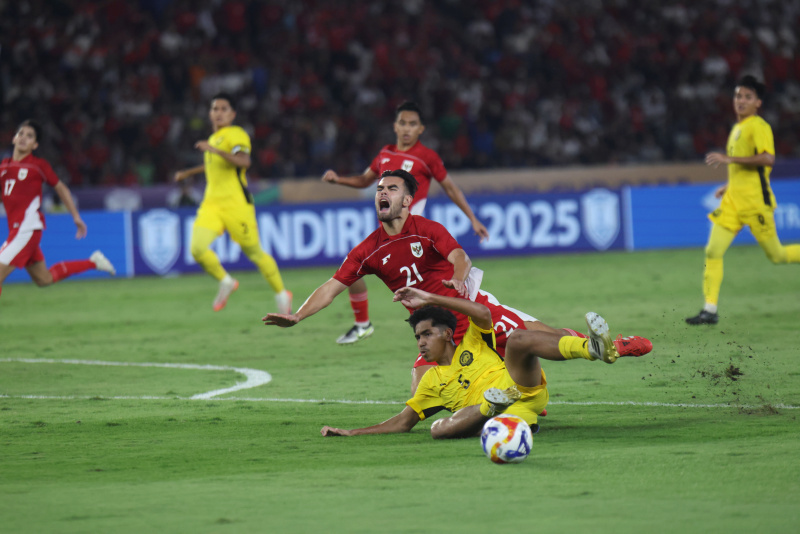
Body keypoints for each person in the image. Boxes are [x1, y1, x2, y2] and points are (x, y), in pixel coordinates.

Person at [264, 169, 651, 394]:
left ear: (407, 200)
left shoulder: (426, 228)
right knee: (422, 394)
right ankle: (518, 392)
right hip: (434, 329)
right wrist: (297, 317)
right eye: (379, 189)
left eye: (391, 188)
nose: (382, 192)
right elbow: (332, 286)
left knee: (539, 337)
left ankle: (611, 347)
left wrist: (457, 283)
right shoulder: (367, 250)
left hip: (467, 309)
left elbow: (459, 257)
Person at [320, 286, 645, 439]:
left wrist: (431, 297)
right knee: (435, 430)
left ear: (448, 334)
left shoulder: (474, 340)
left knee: (518, 339)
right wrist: (352, 432)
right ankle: (494, 410)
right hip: (494, 414)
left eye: (427, 334)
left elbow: (482, 312)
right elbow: (403, 422)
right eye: (417, 337)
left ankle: (594, 350)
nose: (420, 342)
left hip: (522, 389)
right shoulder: (430, 380)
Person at [321, 101, 489, 344]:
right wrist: (339, 180)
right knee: (351, 271)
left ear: (421, 129)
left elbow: (450, 188)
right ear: (395, 126)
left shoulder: (427, 157)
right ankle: (362, 324)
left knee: (439, 281)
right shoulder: (385, 155)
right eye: (403, 123)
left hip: (413, 232)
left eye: (412, 124)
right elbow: (364, 180)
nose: (407, 128)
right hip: (389, 232)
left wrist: (472, 219)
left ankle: (466, 327)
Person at [686, 76, 800, 325]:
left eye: (748, 97)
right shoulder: (737, 128)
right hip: (733, 203)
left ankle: (710, 309)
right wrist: (728, 186)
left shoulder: (759, 126)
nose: (741, 101)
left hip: (755, 203)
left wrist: (730, 160)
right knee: (713, 250)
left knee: (777, 255)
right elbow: (748, 169)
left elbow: (768, 159)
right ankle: (710, 309)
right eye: (738, 96)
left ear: (758, 102)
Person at [174, 92, 292, 313]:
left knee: (255, 253)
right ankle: (225, 281)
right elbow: (215, 165)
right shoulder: (212, 139)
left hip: (236, 205)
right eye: (215, 109)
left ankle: (281, 294)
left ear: (233, 114)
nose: (218, 113)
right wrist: (189, 172)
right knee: (197, 248)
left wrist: (214, 150)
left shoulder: (236, 134)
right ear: (209, 113)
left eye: (223, 109)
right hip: (211, 205)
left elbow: (243, 161)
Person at [0, 120, 116, 298]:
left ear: (35, 145)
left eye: (29, 136)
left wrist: (76, 216)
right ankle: (94, 262)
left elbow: (61, 188)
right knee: (44, 279)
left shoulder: (38, 166)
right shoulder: (3, 167)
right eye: (21, 134)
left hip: (26, 230)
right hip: (15, 231)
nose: (24, 138)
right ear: (14, 138)